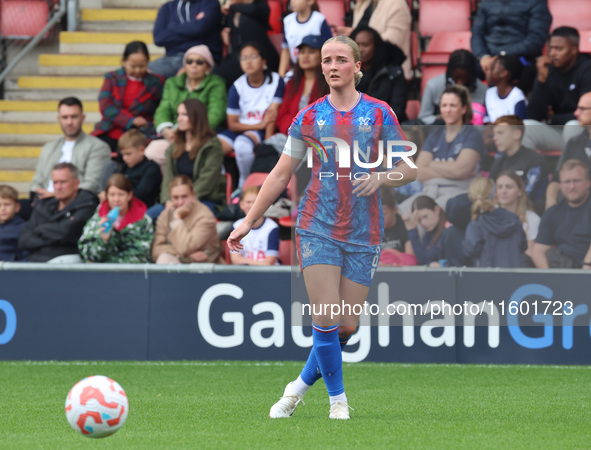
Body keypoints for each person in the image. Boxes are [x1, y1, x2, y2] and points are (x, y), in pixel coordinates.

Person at [228, 36, 416, 419]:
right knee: (327, 315)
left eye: (341, 59)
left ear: (357, 67)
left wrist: (380, 177)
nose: (331, 66)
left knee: (346, 327)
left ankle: (296, 388)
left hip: (364, 230)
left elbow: (409, 168)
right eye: (326, 60)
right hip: (317, 225)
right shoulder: (309, 116)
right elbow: (282, 174)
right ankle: (338, 402)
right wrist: (249, 220)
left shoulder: (380, 113)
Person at [400, 84, 486, 214]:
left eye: (453, 105)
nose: (448, 110)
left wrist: (432, 164)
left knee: (425, 216)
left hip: (459, 193)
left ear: (463, 109)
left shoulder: (472, 135)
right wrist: (453, 170)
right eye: (444, 106)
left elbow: (460, 171)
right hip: (430, 191)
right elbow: (419, 171)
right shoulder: (435, 135)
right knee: (401, 213)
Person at [146, 45, 227, 170]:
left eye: (199, 62)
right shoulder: (172, 83)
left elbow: (216, 114)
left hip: (201, 135)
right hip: (173, 135)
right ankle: (171, 185)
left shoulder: (216, 84)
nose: (193, 65)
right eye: (189, 61)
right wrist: (166, 129)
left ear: (208, 67)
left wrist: (186, 131)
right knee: (152, 152)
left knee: (198, 155)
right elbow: (163, 109)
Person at [218, 43, 284, 188]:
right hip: (243, 127)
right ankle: (221, 188)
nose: (248, 62)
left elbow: (271, 116)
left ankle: (245, 185)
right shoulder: (237, 86)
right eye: (243, 58)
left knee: (242, 145)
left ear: (263, 60)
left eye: (253, 57)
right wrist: (260, 124)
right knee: (211, 147)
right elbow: (233, 124)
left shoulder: (276, 81)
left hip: (258, 131)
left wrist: (267, 143)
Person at [30, 97, 111, 202]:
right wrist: (38, 197)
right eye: (65, 117)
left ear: (83, 118)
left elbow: (91, 186)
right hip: (44, 202)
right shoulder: (48, 148)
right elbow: (35, 183)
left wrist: (55, 195)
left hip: (78, 204)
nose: (69, 122)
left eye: (74, 117)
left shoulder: (98, 147)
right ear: (59, 119)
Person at [91, 41, 165, 153]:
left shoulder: (156, 82)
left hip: (141, 133)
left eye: (142, 66)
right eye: (133, 66)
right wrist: (131, 120)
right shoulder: (112, 78)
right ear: (124, 62)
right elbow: (105, 106)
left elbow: (161, 107)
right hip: (111, 128)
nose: (137, 70)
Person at [526, 27, 591, 151]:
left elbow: (587, 115)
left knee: (573, 126)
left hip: (582, 133)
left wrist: (553, 118)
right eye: (551, 48)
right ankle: (526, 169)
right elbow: (533, 115)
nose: (552, 54)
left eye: (559, 49)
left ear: (574, 50)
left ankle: (572, 168)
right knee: (526, 126)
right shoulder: (547, 69)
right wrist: (541, 80)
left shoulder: (587, 70)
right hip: (556, 131)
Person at [19, 163, 99, 263]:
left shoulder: (87, 205)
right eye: (55, 182)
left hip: (66, 259)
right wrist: (51, 237)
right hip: (35, 258)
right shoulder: (44, 205)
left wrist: (39, 230)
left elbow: (64, 233)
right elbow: (24, 239)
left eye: (63, 182)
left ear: (76, 183)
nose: (58, 187)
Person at [160, 99, 226, 214]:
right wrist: (168, 201)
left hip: (204, 200)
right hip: (175, 201)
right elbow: (168, 178)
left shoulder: (212, 145)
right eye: (178, 114)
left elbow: (208, 179)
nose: (179, 118)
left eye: (184, 114)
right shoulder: (174, 146)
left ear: (197, 117)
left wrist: (187, 200)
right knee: (150, 218)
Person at [471, 0, 551, 91]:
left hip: (519, 56)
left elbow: (536, 39)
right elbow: (477, 33)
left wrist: (502, 55)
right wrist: (483, 56)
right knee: (461, 62)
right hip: (488, 56)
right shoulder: (487, 2)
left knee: (500, 68)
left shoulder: (536, 3)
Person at [79, 174, 153, 263]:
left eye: (121, 194)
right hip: (99, 274)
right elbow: (88, 253)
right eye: (112, 195)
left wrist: (108, 264)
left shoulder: (143, 220)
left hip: (131, 273)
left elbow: (141, 255)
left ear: (129, 196)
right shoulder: (98, 217)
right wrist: (104, 240)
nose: (116, 199)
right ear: (107, 196)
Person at [532, 159, 591, 269]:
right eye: (566, 182)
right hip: (563, 269)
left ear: (588, 183)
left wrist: (587, 266)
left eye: (576, 181)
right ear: (560, 185)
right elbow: (538, 251)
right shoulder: (552, 213)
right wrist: (552, 278)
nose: (571, 186)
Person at [153, 175, 222, 264]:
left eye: (184, 196)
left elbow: (186, 247)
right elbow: (156, 250)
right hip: (179, 262)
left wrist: (177, 219)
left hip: (204, 267)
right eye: (175, 197)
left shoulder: (205, 215)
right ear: (170, 197)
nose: (180, 202)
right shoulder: (165, 215)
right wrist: (186, 254)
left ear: (193, 195)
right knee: (164, 259)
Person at [337, 0, 412, 80]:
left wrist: (354, 33)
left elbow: (392, 41)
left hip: (388, 72)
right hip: (362, 70)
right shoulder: (363, 4)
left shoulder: (397, 4)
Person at [149, 0, 223, 79]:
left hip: (203, 59)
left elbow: (199, 28)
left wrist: (172, 27)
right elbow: (159, 38)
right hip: (173, 58)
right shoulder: (167, 8)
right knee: (144, 71)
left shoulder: (210, 3)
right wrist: (194, 35)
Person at [462, 177, 525, 268]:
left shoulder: (476, 224)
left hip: (487, 278)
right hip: (514, 276)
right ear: (495, 195)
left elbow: (469, 251)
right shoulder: (514, 218)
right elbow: (523, 246)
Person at [216, 0, 280, 86]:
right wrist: (224, 29)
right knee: (216, 73)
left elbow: (252, 10)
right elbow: (226, 24)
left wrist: (231, 6)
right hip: (239, 56)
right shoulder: (233, 10)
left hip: (259, 55)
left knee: (224, 75)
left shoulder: (261, 6)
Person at [351, 26, 407, 122]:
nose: (360, 49)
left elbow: (397, 111)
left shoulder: (393, 73)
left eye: (365, 45)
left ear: (376, 46)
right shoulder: (348, 72)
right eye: (356, 45)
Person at [416, 50, 488, 126]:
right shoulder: (433, 85)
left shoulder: (483, 90)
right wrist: (443, 118)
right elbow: (424, 117)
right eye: (456, 77)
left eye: (465, 78)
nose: (460, 83)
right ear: (450, 72)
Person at [276, 35, 329, 135]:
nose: (305, 56)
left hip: (317, 138)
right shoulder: (292, 83)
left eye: (311, 52)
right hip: (290, 134)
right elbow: (282, 115)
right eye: (302, 52)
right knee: (266, 149)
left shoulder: (329, 84)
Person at [546, 92, 591, 209]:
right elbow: (557, 179)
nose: (576, 113)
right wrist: (550, 200)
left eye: (582, 109)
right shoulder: (574, 143)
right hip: (574, 208)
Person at [488, 115, 548, 202]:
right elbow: (490, 192)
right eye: (494, 134)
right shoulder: (499, 162)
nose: (494, 138)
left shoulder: (535, 160)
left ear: (517, 134)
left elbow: (528, 194)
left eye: (500, 133)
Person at [99, 129, 162, 208]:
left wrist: (113, 196)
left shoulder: (151, 168)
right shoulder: (126, 166)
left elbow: (140, 194)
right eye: (123, 155)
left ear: (141, 150)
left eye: (128, 154)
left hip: (142, 208)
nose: (125, 158)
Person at [278, 0, 332, 78]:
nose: (292, 2)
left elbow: (328, 48)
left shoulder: (319, 20)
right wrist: (281, 74)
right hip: (296, 70)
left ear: (310, 1)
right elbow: (286, 50)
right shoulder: (287, 21)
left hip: (317, 71)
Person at [495, 171, 540, 262]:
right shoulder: (488, 216)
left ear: (520, 191)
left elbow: (530, 253)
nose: (503, 191)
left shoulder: (532, 219)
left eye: (509, 187)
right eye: (500, 187)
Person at [230, 186, 279, 265]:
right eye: (248, 202)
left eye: (255, 202)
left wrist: (246, 263)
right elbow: (235, 259)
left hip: (267, 274)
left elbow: (269, 263)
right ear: (241, 205)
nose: (252, 205)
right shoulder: (236, 226)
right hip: (246, 273)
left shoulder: (272, 227)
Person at [404, 195, 446, 266]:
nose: (423, 223)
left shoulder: (447, 229)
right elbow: (422, 259)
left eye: (425, 216)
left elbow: (424, 258)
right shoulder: (429, 233)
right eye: (419, 220)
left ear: (436, 210)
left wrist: (412, 230)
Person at [484, 54, 527, 123]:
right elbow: (487, 122)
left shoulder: (517, 96)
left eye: (492, 68)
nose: (487, 71)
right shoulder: (489, 92)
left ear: (503, 73)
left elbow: (520, 128)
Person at [0, 185, 26, 261]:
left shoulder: (24, 228)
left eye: (7, 204)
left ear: (17, 207)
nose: (3, 209)